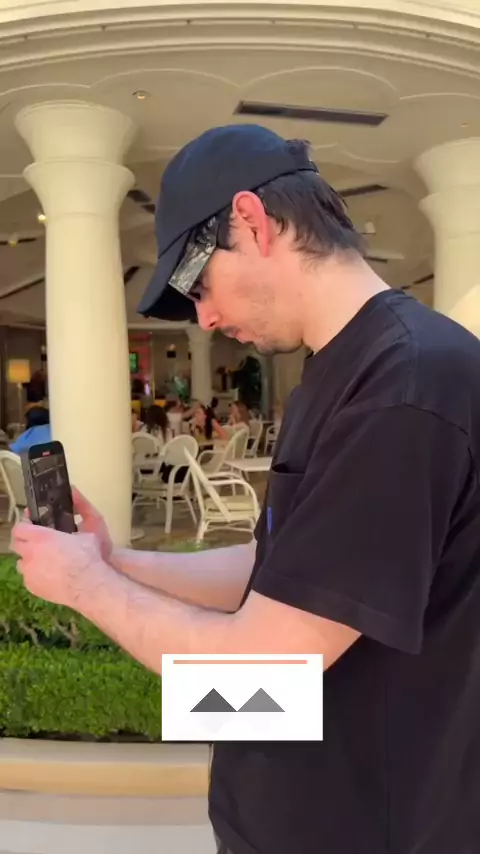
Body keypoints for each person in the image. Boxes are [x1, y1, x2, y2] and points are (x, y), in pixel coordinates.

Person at [12, 124, 480, 854]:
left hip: (362, 829)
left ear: (253, 222)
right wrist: (114, 561)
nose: (204, 318)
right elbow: (280, 572)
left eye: (198, 285)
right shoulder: (340, 367)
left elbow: (267, 669)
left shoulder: (406, 386)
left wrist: (84, 588)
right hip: (283, 814)